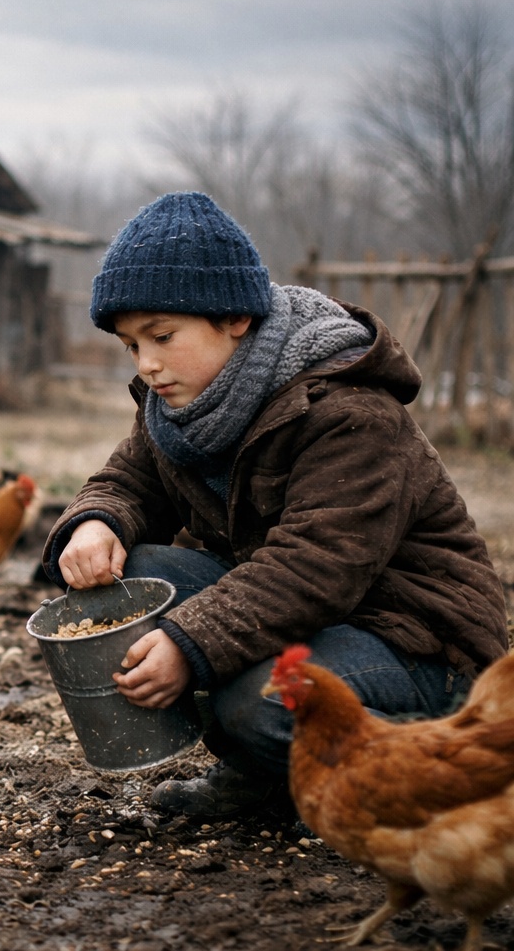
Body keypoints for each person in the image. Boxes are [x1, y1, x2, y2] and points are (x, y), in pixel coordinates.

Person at [42, 191, 508, 817]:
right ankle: (265, 777)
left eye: (162, 336)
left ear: (234, 317)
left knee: (258, 700)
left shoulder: (348, 410)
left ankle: (437, 777)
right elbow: (130, 479)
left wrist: (191, 641)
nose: (148, 363)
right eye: (131, 345)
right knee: (142, 574)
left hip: (416, 642)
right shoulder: (184, 406)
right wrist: (97, 522)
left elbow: (316, 565)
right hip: (313, 618)